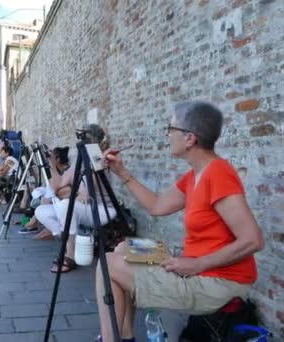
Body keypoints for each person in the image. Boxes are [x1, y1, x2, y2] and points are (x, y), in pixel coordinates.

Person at [94, 101, 265, 342]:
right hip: (196, 263)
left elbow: (253, 240)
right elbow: (157, 205)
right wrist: (122, 173)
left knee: (107, 264)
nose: (167, 134)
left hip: (218, 280)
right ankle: (125, 336)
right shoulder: (195, 174)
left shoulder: (218, 174)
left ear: (189, 138)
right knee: (123, 248)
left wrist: (198, 265)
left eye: (171, 128)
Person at [36, 124, 116, 273]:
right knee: (41, 211)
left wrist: (69, 192)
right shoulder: (77, 164)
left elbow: (87, 194)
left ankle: (70, 253)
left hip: (101, 209)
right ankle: (71, 238)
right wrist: (52, 166)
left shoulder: (100, 159)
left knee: (65, 205)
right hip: (83, 208)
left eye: (85, 138)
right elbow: (56, 188)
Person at [19, 146, 71, 237]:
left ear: (57, 159)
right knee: (44, 197)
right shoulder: (59, 170)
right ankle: (37, 223)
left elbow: (57, 188)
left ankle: (35, 223)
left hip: (66, 201)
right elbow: (51, 184)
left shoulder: (67, 171)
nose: (49, 161)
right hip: (59, 200)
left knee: (46, 198)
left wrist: (52, 167)